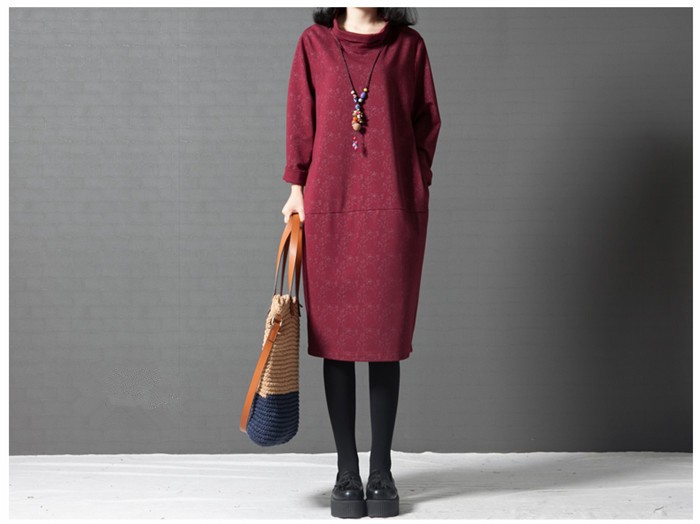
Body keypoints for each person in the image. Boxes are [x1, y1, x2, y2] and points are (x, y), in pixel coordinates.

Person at [280, 7, 441, 519]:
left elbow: (427, 121)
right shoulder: (313, 44)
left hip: (392, 208)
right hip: (329, 204)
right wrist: (296, 188)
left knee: (384, 343)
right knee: (338, 343)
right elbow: (301, 118)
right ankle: (347, 471)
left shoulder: (409, 48)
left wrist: (413, 178)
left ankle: (382, 471)